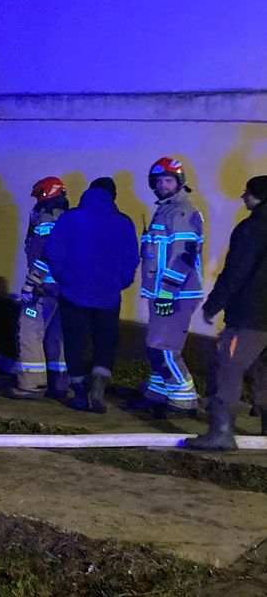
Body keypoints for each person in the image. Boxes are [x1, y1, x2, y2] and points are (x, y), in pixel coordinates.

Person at [185, 176, 267, 451]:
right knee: (264, 372)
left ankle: (221, 431)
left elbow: (236, 272)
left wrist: (213, 304)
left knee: (228, 367)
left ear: (258, 197)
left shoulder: (252, 228)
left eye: (248, 193)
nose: (244, 197)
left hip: (250, 316)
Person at [44, 176, 139, 412]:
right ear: (112, 196)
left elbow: (53, 251)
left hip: (73, 292)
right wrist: (121, 282)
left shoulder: (70, 218)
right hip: (108, 295)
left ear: (89, 192)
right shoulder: (124, 222)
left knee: (74, 342)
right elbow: (131, 258)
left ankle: (78, 392)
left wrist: (61, 277)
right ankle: (98, 388)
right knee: (104, 342)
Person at [128, 157, 205, 417]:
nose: (163, 185)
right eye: (159, 181)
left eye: (168, 180)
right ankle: (158, 392)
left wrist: (166, 292)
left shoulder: (182, 211)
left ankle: (184, 400)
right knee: (156, 343)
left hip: (175, 294)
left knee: (164, 348)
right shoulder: (166, 211)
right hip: (162, 293)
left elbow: (182, 256)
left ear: (179, 182)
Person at [5, 177, 70, 400]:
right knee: (55, 336)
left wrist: (32, 283)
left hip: (42, 288)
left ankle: (31, 385)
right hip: (61, 289)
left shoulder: (46, 217)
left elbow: (45, 255)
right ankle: (59, 384)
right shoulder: (66, 217)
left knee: (29, 332)